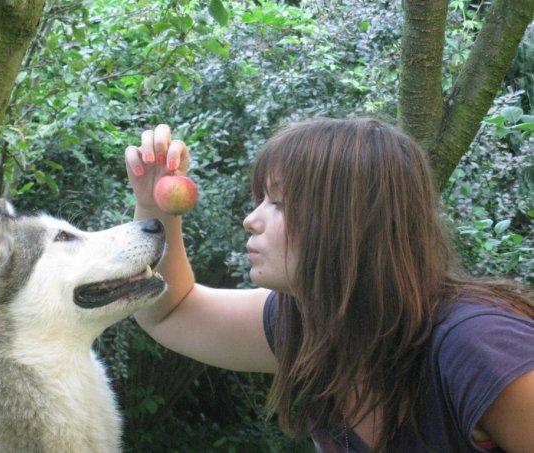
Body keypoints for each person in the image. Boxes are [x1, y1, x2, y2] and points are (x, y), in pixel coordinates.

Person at [124, 117, 534, 452]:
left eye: (279, 203)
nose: (252, 219)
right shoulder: (311, 324)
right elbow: (171, 312)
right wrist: (154, 207)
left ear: (350, 223)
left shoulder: (479, 347)